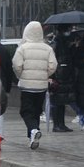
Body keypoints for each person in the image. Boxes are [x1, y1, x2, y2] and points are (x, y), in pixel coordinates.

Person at [12, 20, 56, 149]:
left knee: (26, 111)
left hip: (27, 85)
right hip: (41, 86)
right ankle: (32, 136)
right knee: (36, 111)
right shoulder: (47, 48)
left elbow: (16, 65)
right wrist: (45, 75)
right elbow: (53, 66)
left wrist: (21, 76)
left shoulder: (22, 48)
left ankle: (33, 130)